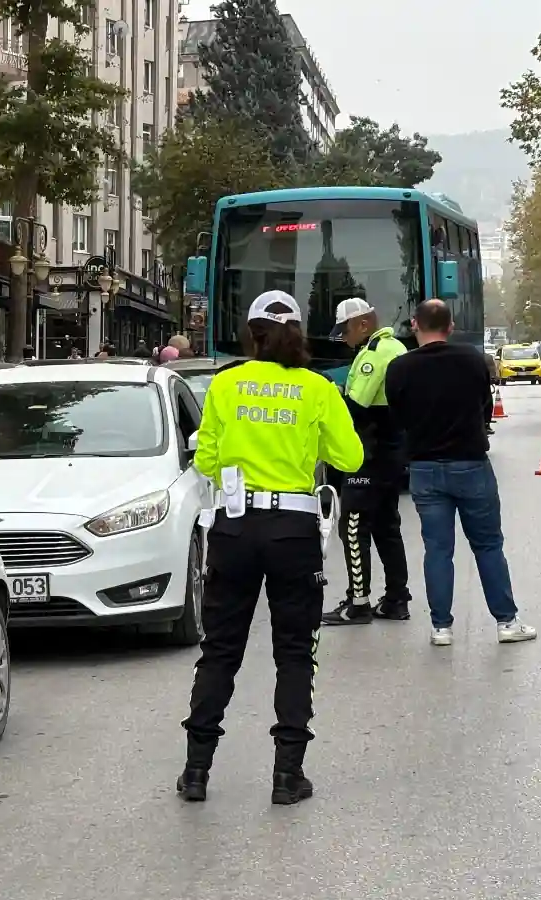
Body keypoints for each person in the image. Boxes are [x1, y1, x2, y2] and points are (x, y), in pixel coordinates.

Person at [177, 290, 364, 806]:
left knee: (220, 650)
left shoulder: (226, 383)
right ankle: (288, 775)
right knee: (295, 652)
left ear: (251, 333)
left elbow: (207, 460)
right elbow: (350, 456)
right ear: (298, 332)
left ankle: (196, 771)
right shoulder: (317, 388)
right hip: (293, 531)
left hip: (235, 527)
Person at [386, 299, 537, 648]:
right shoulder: (472, 360)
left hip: (424, 468)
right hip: (470, 465)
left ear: (414, 325)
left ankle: (441, 628)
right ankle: (506, 621)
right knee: (488, 545)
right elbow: (485, 406)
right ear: (450, 327)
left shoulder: (400, 368)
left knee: (438, 549)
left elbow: (398, 416)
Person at [321, 297, 412, 625]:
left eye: (345, 330)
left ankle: (358, 602)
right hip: (393, 452)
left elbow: (355, 408)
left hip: (369, 453)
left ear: (362, 324)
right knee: (387, 526)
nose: (343, 338)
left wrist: (332, 394)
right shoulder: (397, 347)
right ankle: (396, 599)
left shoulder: (374, 354)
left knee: (353, 525)